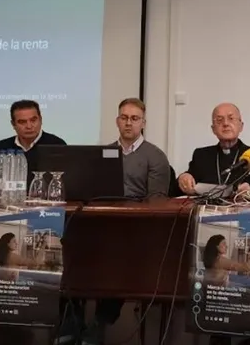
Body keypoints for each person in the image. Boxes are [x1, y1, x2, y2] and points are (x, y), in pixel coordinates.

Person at [69, 97, 170, 345]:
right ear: (117, 121)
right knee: (70, 253)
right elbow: (89, 190)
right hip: (101, 223)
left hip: (136, 230)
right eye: (124, 117)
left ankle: (99, 323)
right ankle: (72, 322)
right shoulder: (102, 153)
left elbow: (156, 203)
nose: (128, 123)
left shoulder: (155, 156)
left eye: (134, 118)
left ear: (143, 123)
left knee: (117, 264)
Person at [177, 103, 250, 197]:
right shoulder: (201, 155)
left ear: (241, 126)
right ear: (213, 129)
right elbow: (183, 185)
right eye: (219, 120)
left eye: (231, 118)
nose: (225, 123)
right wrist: (183, 177)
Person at [0, 100, 66, 198]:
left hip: (45, 205)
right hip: (9, 203)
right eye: (22, 122)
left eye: (33, 120)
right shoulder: (1, 147)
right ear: (13, 124)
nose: (29, 126)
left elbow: (65, 185)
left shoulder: (57, 145)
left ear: (41, 120)